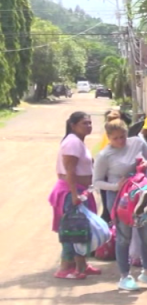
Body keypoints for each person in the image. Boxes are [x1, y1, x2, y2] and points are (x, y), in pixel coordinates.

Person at [92, 119, 147, 290]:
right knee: (124, 238)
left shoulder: (137, 142)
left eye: (123, 136)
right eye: (115, 138)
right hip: (119, 200)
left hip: (141, 195)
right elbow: (97, 182)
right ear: (108, 138)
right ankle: (125, 276)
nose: (120, 141)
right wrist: (115, 186)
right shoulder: (104, 155)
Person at [51, 111, 99, 279]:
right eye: (84, 123)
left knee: (81, 229)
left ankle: (82, 265)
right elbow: (69, 171)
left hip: (80, 190)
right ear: (73, 125)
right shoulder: (72, 142)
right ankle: (65, 267)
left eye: (90, 123)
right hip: (72, 191)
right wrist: (74, 194)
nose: (88, 126)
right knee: (72, 230)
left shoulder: (78, 142)